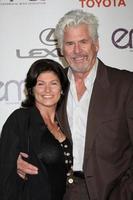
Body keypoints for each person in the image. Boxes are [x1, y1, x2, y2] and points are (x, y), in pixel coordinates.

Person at [17, 9, 133, 200]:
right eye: (70, 43)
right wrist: (18, 162)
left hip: (113, 192)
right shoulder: (51, 86)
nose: (77, 51)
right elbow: (30, 135)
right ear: (62, 49)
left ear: (96, 44)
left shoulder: (125, 85)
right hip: (61, 193)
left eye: (83, 42)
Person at [0, 59, 73, 200]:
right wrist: (15, 167)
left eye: (54, 83)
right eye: (40, 84)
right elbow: (4, 173)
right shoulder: (19, 120)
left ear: (62, 89)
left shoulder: (67, 121)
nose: (47, 90)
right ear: (31, 89)